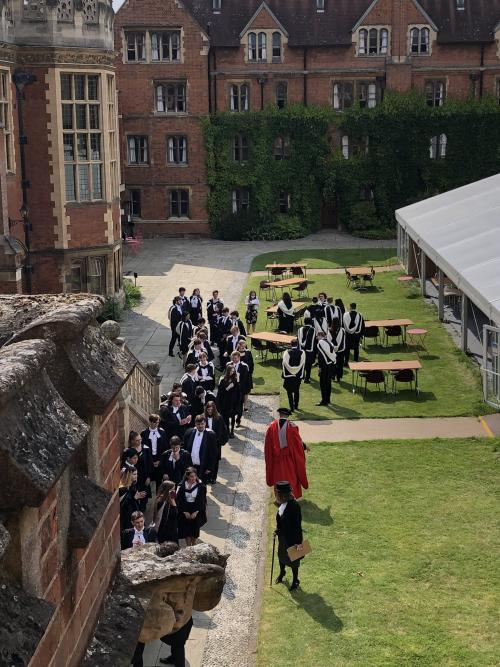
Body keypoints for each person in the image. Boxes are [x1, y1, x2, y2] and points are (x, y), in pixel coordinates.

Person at [264, 408, 308, 499]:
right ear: (288, 416)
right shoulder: (292, 427)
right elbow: (297, 443)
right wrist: (304, 446)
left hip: (277, 459)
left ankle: (279, 498)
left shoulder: (271, 427)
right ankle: (292, 497)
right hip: (289, 459)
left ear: (279, 414)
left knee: (278, 478)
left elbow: (267, 446)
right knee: (291, 478)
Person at [274, 481, 303, 592]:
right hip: (283, 537)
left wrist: (298, 543)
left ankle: (295, 580)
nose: (276, 496)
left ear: (283, 495)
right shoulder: (282, 504)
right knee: (281, 556)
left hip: (293, 540)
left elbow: (297, 526)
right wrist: (277, 530)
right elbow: (280, 521)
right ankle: (282, 572)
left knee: (294, 561)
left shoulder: (294, 506)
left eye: (277, 494)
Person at [176, 467, 207, 546]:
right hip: (185, 508)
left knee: (194, 530)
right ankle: (188, 546)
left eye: (195, 476)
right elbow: (179, 499)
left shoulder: (200, 486)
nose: (194, 478)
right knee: (186, 530)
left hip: (196, 508)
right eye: (191, 476)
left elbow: (202, 500)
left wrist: (196, 512)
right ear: (187, 476)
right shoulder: (181, 486)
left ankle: (194, 545)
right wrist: (184, 511)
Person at [183, 415, 218, 484]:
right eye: (198, 424)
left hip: (203, 466)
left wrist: (210, 467)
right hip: (191, 465)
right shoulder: (189, 432)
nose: (200, 426)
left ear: (205, 423)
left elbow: (213, 452)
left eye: (202, 424)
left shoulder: (210, 435)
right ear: (195, 424)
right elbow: (185, 448)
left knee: (202, 486)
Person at [140, 414, 168, 492]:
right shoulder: (144, 433)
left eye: (158, 422)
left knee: (159, 482)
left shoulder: (162, 432)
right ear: (150, 422)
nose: (156, 424)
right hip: (149, 459)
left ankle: (158, 501)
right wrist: (150, 461)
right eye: (155, 422)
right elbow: (143, 449)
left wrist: (160, 460)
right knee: (147, 480)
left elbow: (165, 447)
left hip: (159, 459)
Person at [204, 401, 228, 483]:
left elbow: (221, 431)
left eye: (211, 409)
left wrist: (217, 440)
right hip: (205, 443)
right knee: (206, 459)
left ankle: (214, 477)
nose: (210, 411)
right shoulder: (203, 418)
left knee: (215, 460)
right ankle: (207, 477)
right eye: (208, 409)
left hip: (215, 443)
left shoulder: (219, 418)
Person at [128, 430, 152, 511]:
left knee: (144, 499)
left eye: (140, 440)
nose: (139, 442)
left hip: (144, 478)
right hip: (134, 478)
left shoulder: (146, 449)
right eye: (137, 440)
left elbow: (150, 464)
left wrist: (149, 477)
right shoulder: (128, 451)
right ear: (132, 441)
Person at [119, 466, 145, 533]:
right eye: (134, 474)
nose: (136, 476)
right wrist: (134, 498)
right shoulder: (122, 489)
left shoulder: (132, 484)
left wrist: (138, 496)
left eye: (136, 474)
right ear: (128, 475)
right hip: (127, 514)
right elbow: (122, 504)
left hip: (133, 510)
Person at [282, 339, 306, 412]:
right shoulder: (302, 352)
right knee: (296, 391)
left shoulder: (287, 352)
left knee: (289, 392)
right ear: (297, 344)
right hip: (298, 376)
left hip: (289, 376)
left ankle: (291, 407)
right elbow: (302, 364)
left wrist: (289, 372)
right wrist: (297, 372)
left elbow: (284, 364)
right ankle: (296, 406)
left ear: (290, 344)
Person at [217, 363, 241, 437]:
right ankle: (227, 430)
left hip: (233, 401)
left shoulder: (235, 379)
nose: (232, 373)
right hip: (225, 401)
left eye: (233, 371)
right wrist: (228, 388)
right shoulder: (223, 379)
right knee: (226, 417)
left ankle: (232, 431)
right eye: (230, 371)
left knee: (233, 417)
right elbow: (220, 391)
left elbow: (238, 390)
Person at [316, 331, 336, 406]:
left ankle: (324, 400)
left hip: (324, 366)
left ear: (320, 336)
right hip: (330, 365)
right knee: (328, 383)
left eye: (317, 336)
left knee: (323, 384)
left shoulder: (320, 343)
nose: (317, 338)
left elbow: (320, 357)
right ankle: (328, 400)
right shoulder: (329, 342)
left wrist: (319, 367)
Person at [297, 316, 316, 384]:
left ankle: (302, 376)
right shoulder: (313, 329)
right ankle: (307, 379)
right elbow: (313, 340)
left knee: (302, 364)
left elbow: (298, 340)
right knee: (308, 365)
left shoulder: (300, 329)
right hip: (309, 350)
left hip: (301, 350)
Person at [237, 339, 254, 411]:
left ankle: (246, 405)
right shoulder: (236, 353)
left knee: (246, 391)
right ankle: (239, 404)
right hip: (239, 375)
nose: (244, 347)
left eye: (244, 345)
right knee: (239, 391)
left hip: (247, 375)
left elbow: (251, 363)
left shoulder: (248, 352)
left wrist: (250, 372)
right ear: (239, 345)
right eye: (242, 345)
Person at [331, 317, 346, 382]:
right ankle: (339, 377)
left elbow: (329, 340)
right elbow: (344, 339)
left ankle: (333, 375)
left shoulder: (330, 330)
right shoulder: (342, 330)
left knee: (333, 363)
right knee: (340, 364)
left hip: (333, 350)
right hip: (341, 350)